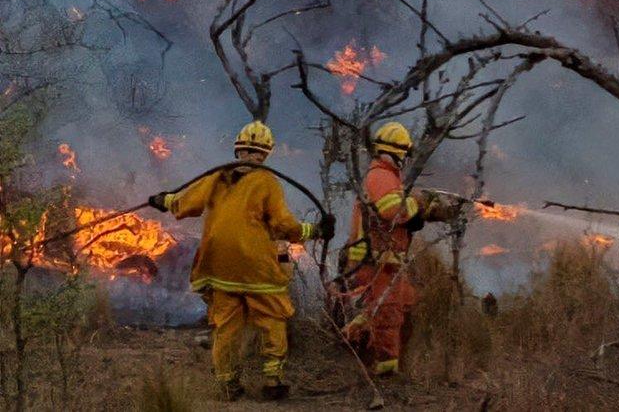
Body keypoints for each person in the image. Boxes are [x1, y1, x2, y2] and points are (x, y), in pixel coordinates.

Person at [148, 120, 334, 401]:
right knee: (272, 317)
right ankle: (273, 380)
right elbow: (284, 226)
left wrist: (165, 200)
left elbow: (188, 202)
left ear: (238, 149)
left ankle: (228, 385)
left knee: (226, 325)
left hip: (218, 266)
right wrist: (315, 230)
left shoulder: (217, 176)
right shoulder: (267, 182)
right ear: (266, 153)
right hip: (256, 269)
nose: (252, 158)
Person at [341, 121, 461, 377]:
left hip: (387, 260)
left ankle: (355, 331)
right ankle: (386, 371)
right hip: (376, 260)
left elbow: (397, 212)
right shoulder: (381, 176)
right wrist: (418, 205)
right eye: (405, 154)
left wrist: (425, 211)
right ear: (398, 152)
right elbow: (391, 210)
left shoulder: (386, 176)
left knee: (404, 302)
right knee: (389, 314)